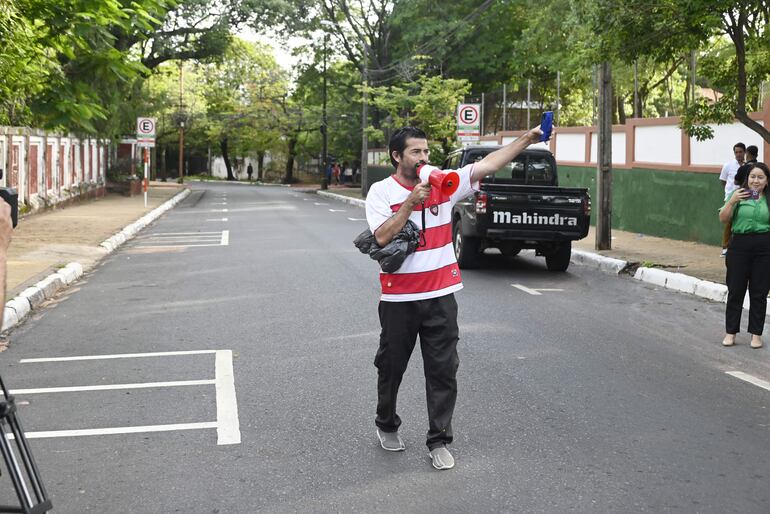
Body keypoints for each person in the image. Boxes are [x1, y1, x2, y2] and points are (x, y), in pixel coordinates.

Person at [365, 125, 543, 470]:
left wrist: (526, 140)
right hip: (399, 299)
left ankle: (439, 440)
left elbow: (489, 164)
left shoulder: (443, 183)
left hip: (441, 297)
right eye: (416, 152)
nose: (424, 158)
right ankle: (386, 422)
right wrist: (410, 204)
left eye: (426, 151)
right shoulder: (380, 191)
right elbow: (383, 237)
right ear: (397, 156)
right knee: (391, 366)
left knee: (444, 370)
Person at [719, 162, 770, 349]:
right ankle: (730, 333)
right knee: (736, 291)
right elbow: (723, 219)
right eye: (753, 177)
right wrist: (732, 201)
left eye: (760, 177)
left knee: (759, 292)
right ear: (747, 178)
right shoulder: (738, 195)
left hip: (764, 248)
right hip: (739, 246)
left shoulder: (767, 199)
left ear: (766, 182)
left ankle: (756, 335)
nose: (756, 181)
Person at [719, 143, 746, 256]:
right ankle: (725, 247)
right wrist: (729, 194)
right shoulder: (728, 165)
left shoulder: (749, 165)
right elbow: (723, 180)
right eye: (736, 152)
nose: (738, 154)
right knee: (729, 222)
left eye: (740, 152)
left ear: (744, 152)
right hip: (731, 198)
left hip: (745, 197)